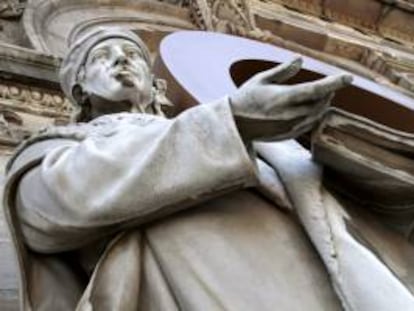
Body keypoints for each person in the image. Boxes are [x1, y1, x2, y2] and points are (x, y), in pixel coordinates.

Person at [6, 27, 395, 311]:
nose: (122, 60)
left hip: (312, 279)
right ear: (80, 91)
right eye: (103, 57)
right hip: (201, 284)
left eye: (133, 54)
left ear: (154, 84)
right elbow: (51, 207)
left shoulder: (241, 134)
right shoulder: (60, 147)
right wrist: (231, 121)